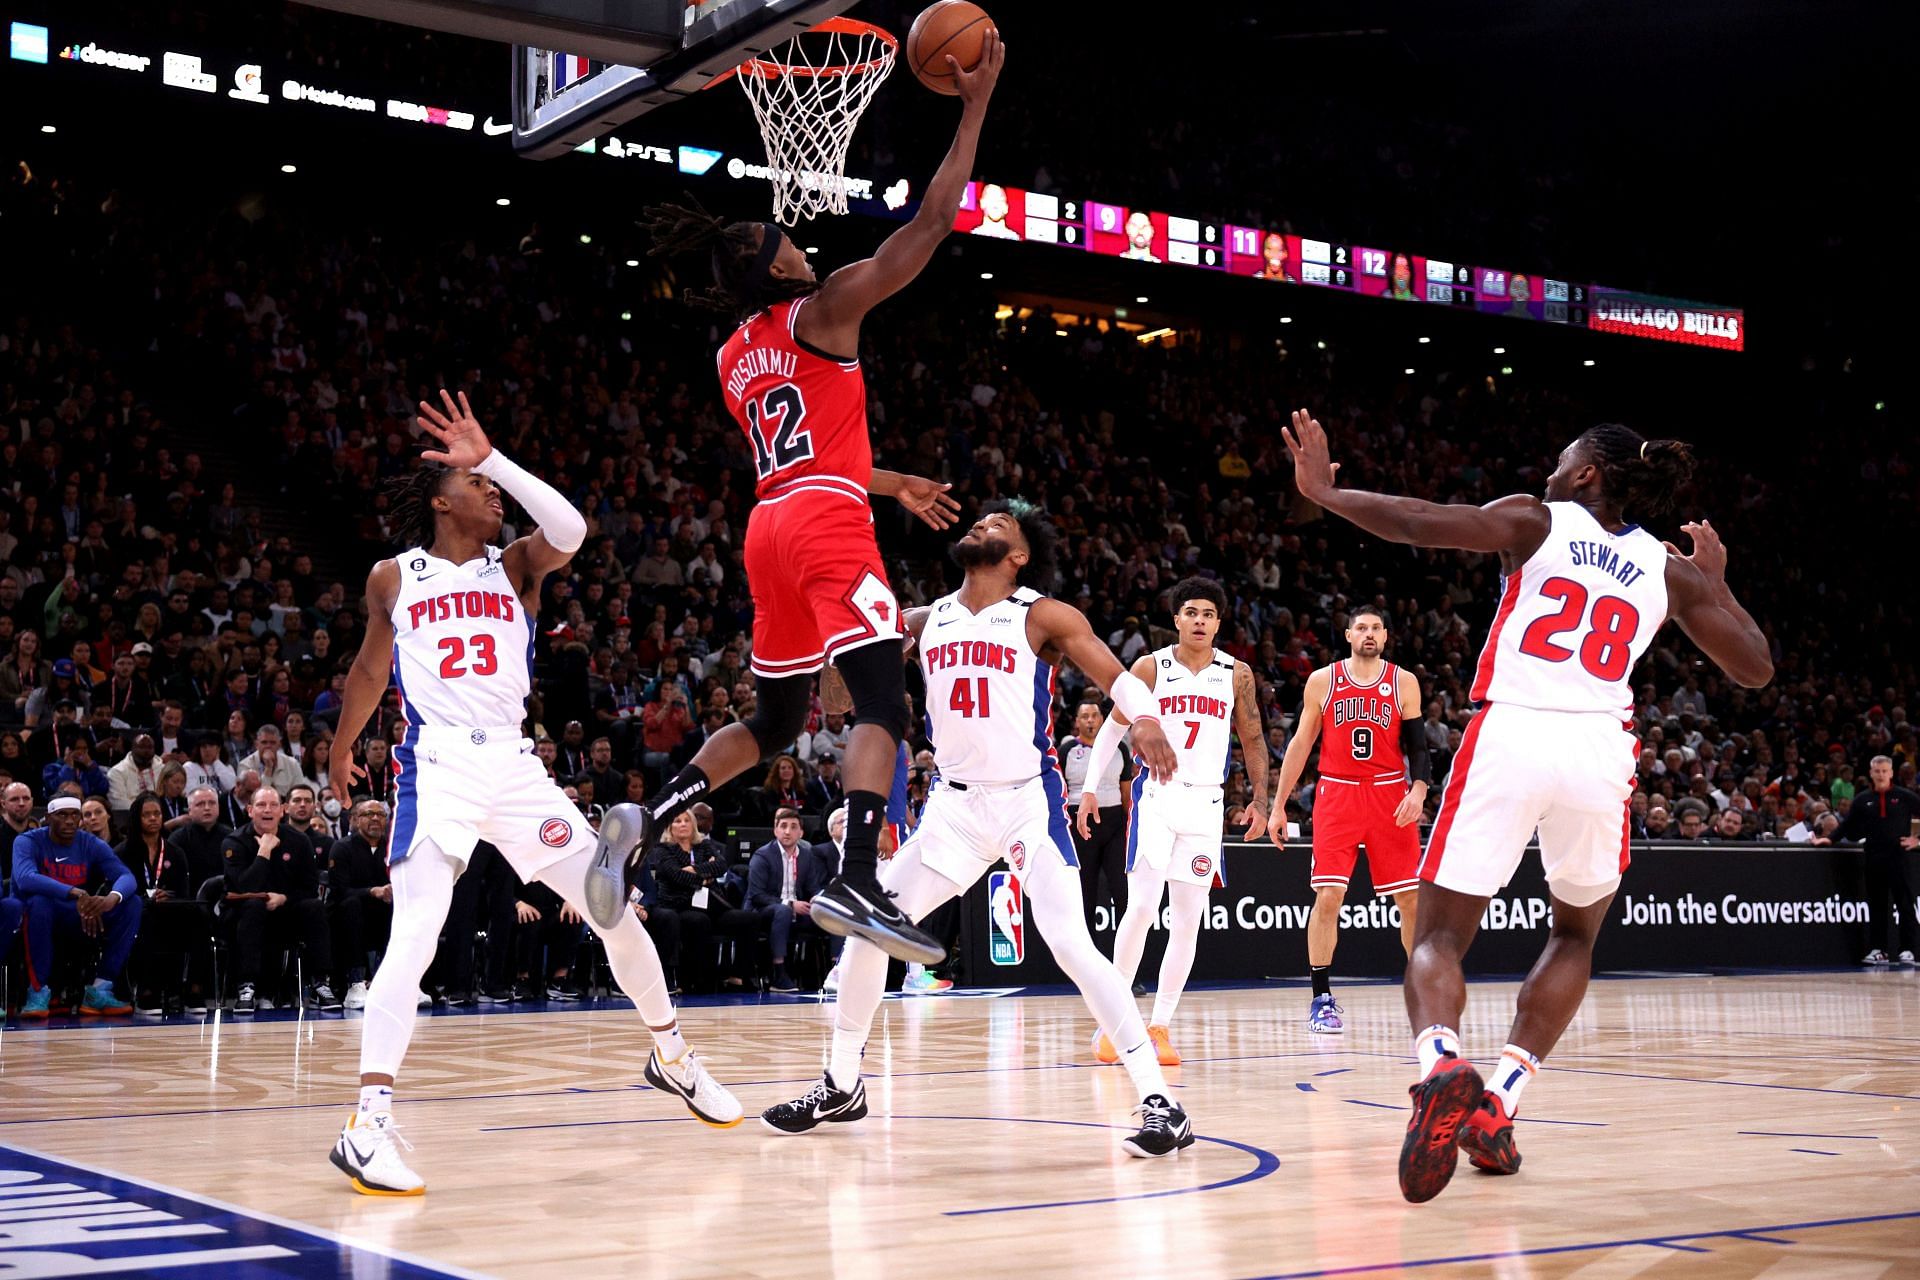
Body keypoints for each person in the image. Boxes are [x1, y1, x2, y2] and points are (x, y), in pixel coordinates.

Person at [1283, 409, 1772, 1202]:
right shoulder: (1665, 569)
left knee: (1440, 933)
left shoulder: (1536, 519)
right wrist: (1714, 584)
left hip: (1512, 729)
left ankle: (1442, 1061)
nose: (1550, 468)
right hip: (1598, 750)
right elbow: (1753, 668)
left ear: (1586, 475)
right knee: (1576, 934)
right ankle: (1500, 1105)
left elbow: (1419, 522)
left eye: (1560, 458)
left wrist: (1326, 495)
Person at [623, 28, 1005, 965]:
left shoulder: (730, 355)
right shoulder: (823, 306)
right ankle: (859, 879)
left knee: (778, 721)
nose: (799, 238)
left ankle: (652, 813)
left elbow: (802, 452)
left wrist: (889, 477)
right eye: (787, 240)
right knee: (883, 706)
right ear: (779, 269)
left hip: (771, 523)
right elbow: (927, 228)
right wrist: (975, 108)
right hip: (828, 523)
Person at [326, 390, 739, 1197]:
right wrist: (342, 746)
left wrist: (493, 459)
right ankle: (366, 1123)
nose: (494, 494)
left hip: (515, 766)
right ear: (441, 500)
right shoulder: (392, 576)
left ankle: (675, 1058)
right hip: (438, 764)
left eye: (495, 485)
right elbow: (372, 669)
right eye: (478, 486)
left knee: (610, 903)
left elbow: (572, 530)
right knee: (417, 931)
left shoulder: (514, 563)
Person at [762, 501, 1196, 1158]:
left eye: (998, 527)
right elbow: (844, 700)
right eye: (978, 522)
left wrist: (1145, 721)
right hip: (952, 811)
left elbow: (1113, 676)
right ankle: (842, 1084)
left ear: (1018, 556)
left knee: (1072, 946)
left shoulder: (1040, 614)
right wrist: (845, 636)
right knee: (866, 930)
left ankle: (1158, 1100)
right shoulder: (922, 618)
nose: (980, 527)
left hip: (1028, 801)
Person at [1080, 576, 1268, 1066]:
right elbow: (1111, 729)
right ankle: (1114, 1024)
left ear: (1219, 622)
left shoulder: (1235, 673)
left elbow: (1252, 740)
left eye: (1209, 613)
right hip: (1156, 797)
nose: (1200, 621)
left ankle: (1159, 1026)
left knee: (1188, 921)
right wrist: (1087, 789)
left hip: (1206, 806)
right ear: (1177, 618)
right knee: (1141, 908)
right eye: (1192, 612)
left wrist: (1261, 801)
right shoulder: (1151, 667)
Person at [1266, 606, 1432, 1035]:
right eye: (1362, 627)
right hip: (1336, 793)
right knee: (1328, 896)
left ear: (1386, 636)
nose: (1370, 633)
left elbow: (1418, 747)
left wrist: (1418, 789)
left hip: (1389, 793)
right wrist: (1279, 804)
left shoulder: (1403, 682)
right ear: (1348, 635)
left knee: (1410, 899)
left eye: (1377, 627)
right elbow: (1301, 744)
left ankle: (1423, 993)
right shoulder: (1323, 680)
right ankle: (1321, 997)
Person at [12, 795, 141, 1016]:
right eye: (62, 815)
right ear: (47, 819)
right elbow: (26, 878)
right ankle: (37, 991)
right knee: (39, 902)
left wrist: (110, 899)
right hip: (38, 913)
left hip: (77, 912)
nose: (70, 821)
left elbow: (126, 877)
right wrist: (73, 892)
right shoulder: (27, 841)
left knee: (132, 903)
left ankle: (100, 989)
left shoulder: (91, 843)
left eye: (74, 815)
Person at [221, 785, 340, 1014]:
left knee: (314, 907)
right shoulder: (234, 841)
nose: (268, 810)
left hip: (286, 911)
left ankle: (321, 983)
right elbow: (244, 887)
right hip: (243, 915)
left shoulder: (299, 840)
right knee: (254, 905)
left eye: (273, 805)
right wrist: (264, 851)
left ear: (283, 810)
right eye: (261, 805)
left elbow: (309, 887)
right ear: (249, 810)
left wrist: (284, 897)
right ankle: (247, 987)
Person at [1813, 755, 1919, 964]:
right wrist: (1828, 839)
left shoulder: (1905, 796)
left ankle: (1908, 950)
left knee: (1905, 905)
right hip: (1873, 857)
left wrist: (1917, 840)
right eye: (1877, 771)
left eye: (1884, 771)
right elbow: (1847, 825)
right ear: (1871, 773)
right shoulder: (1862, 800)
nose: (1880, 775)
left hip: (1898, 857)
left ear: (1891, 773)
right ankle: (1879, 949)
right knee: (1877, 905)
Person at [119, 791, 206, 1016]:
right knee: (149, 917)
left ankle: (193, 989)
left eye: (157, 813)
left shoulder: (175, 852)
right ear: (136, 818)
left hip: (169, 910)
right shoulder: (123, 852)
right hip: (135, 911)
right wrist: (144, 897)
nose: (153, 818)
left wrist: (168, 896)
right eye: (146, 814)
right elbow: (116, 891)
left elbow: (183, 892)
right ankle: (148, 992)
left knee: (198, 915)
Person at [1061, 699, 1131, 943]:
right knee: (1084, 893)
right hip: (1080, 826)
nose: (1090, 720)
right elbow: (1058, 791)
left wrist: (1132, 827)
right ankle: (1087, 965)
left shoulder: (1120, 749)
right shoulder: (1067, 750)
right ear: (1077, 722)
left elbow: (1126, 794)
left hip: (1114, 824)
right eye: (1085, 716)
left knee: (1122, 892)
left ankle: (1128, 967)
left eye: (1095, 715)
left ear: (1103, 720)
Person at [744, 808, 829, 992]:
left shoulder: (806, 855)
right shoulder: (762, 855)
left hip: (797, 911)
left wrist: (818, 900)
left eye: (793, 827)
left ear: (801, 833)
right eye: (783, 826)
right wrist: (790, 904)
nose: (788, 831)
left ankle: (837, 968)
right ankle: (778, 973)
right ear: (775, 830)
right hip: (764, 912)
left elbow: (813, 887)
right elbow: (757, 895)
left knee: (830, 913)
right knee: (783, 910)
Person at [327, 799, 394, 1010]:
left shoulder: (392, 848)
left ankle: (396, 982)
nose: (375, 818)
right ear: (355, 820)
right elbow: (339, 890)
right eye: (368, 814)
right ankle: (355, 982)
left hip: (384, 910)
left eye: (380, 814)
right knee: (351, 905)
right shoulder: (342, 847)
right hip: (348, 913)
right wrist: (371, 891)